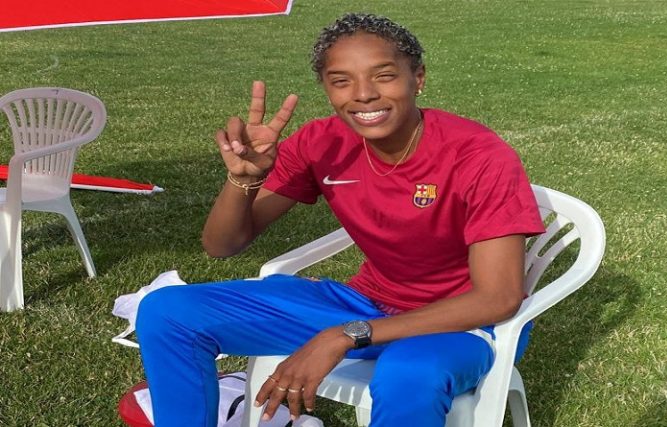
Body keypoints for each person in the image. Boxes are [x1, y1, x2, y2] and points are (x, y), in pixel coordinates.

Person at [136, 12, 545, 427]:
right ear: (326, 88)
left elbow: (498, 297)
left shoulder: (478, 155)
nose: (363, 94)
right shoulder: (322, 142)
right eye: (341, 80)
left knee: (409, 375)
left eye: (384, 76)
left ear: (417, 78)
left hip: (460, 324)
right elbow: (221, 245)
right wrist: (244, 180)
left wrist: (347, 334)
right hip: (364, 303)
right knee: (167, 311)